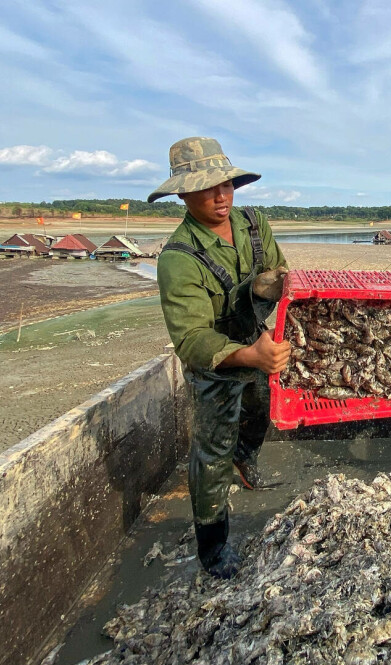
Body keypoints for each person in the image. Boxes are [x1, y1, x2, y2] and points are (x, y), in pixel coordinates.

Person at [151, 137, 291, 578]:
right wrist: (247, 354)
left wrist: (269, 288)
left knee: (262, 409)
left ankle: (245, 457)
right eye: (207, 188)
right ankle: (212, 548)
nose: (221, 196)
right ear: (182, 194)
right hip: (216, 363)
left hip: (258, 345)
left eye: (227, 185)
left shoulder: (254, 223)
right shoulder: (178, 259)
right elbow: (191, 338)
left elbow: (280, 272)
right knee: (211, 452)